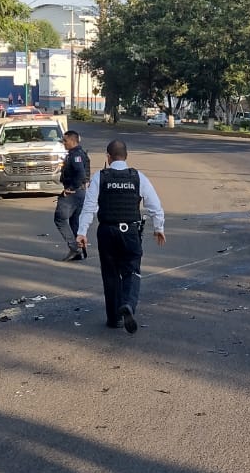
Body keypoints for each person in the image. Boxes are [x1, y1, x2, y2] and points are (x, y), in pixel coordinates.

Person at [75, 139, 166, 333]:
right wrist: (159, 228)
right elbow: (154, 206)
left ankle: (114, 318)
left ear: (108, 157)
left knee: (110, 275)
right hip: (130, 232)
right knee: (132, 271)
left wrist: (82, 232)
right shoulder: (138, 177)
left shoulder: (101, 177)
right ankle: (128, 305)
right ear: (126, 156)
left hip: (107, 232)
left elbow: (89, 207)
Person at [54, 129, 90, 261]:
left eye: (65, 140)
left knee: (59, 218)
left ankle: (75, 248)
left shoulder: (75, 155)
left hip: (74, 193)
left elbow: (80, 174)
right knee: (75, 222)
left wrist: (70, 188)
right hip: (81, 192)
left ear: (73, 141)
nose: (63, 143)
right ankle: (80, 251)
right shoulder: (79, 153)